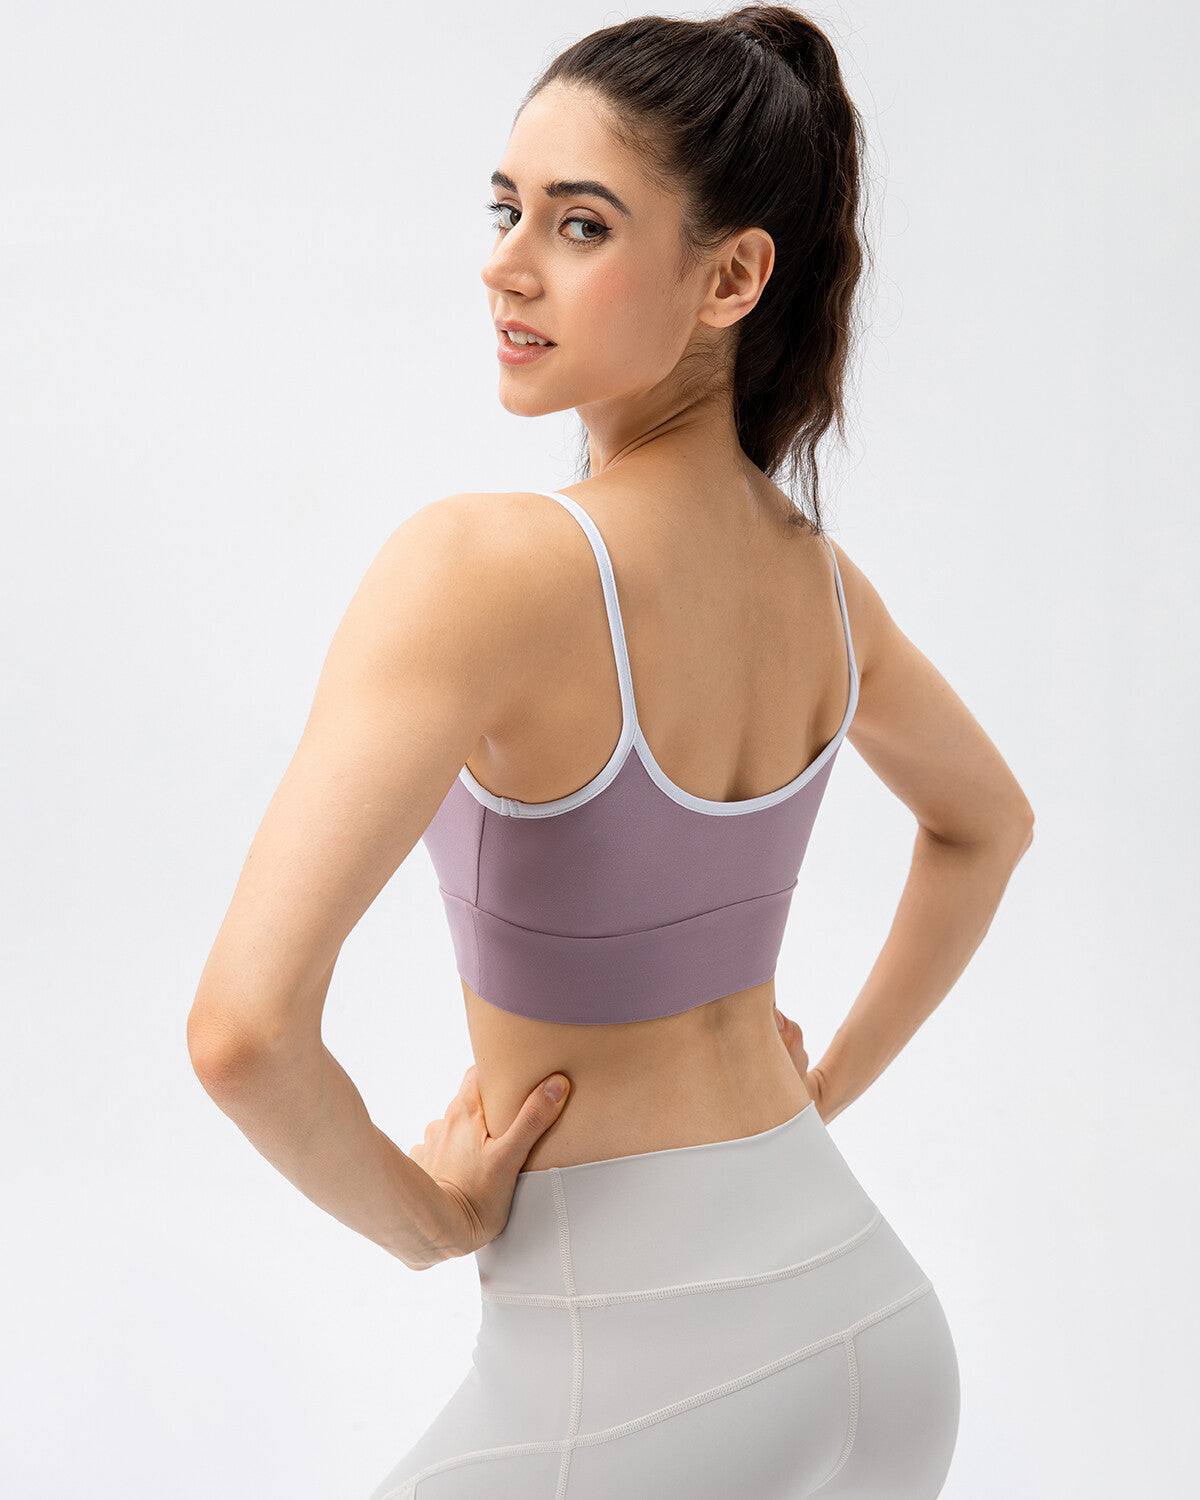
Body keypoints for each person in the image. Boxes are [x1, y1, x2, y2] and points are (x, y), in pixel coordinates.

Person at [188, 5, 1035, 1496]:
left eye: (580, 224)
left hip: (631, 1377)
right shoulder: (826, 592)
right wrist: (819, 1095)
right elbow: (988, 824)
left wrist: (433, 1219)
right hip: (877, 1333)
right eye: (506, 209)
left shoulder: (484, 568)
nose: (507, 264)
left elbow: (242, 1035)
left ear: (734, 278)